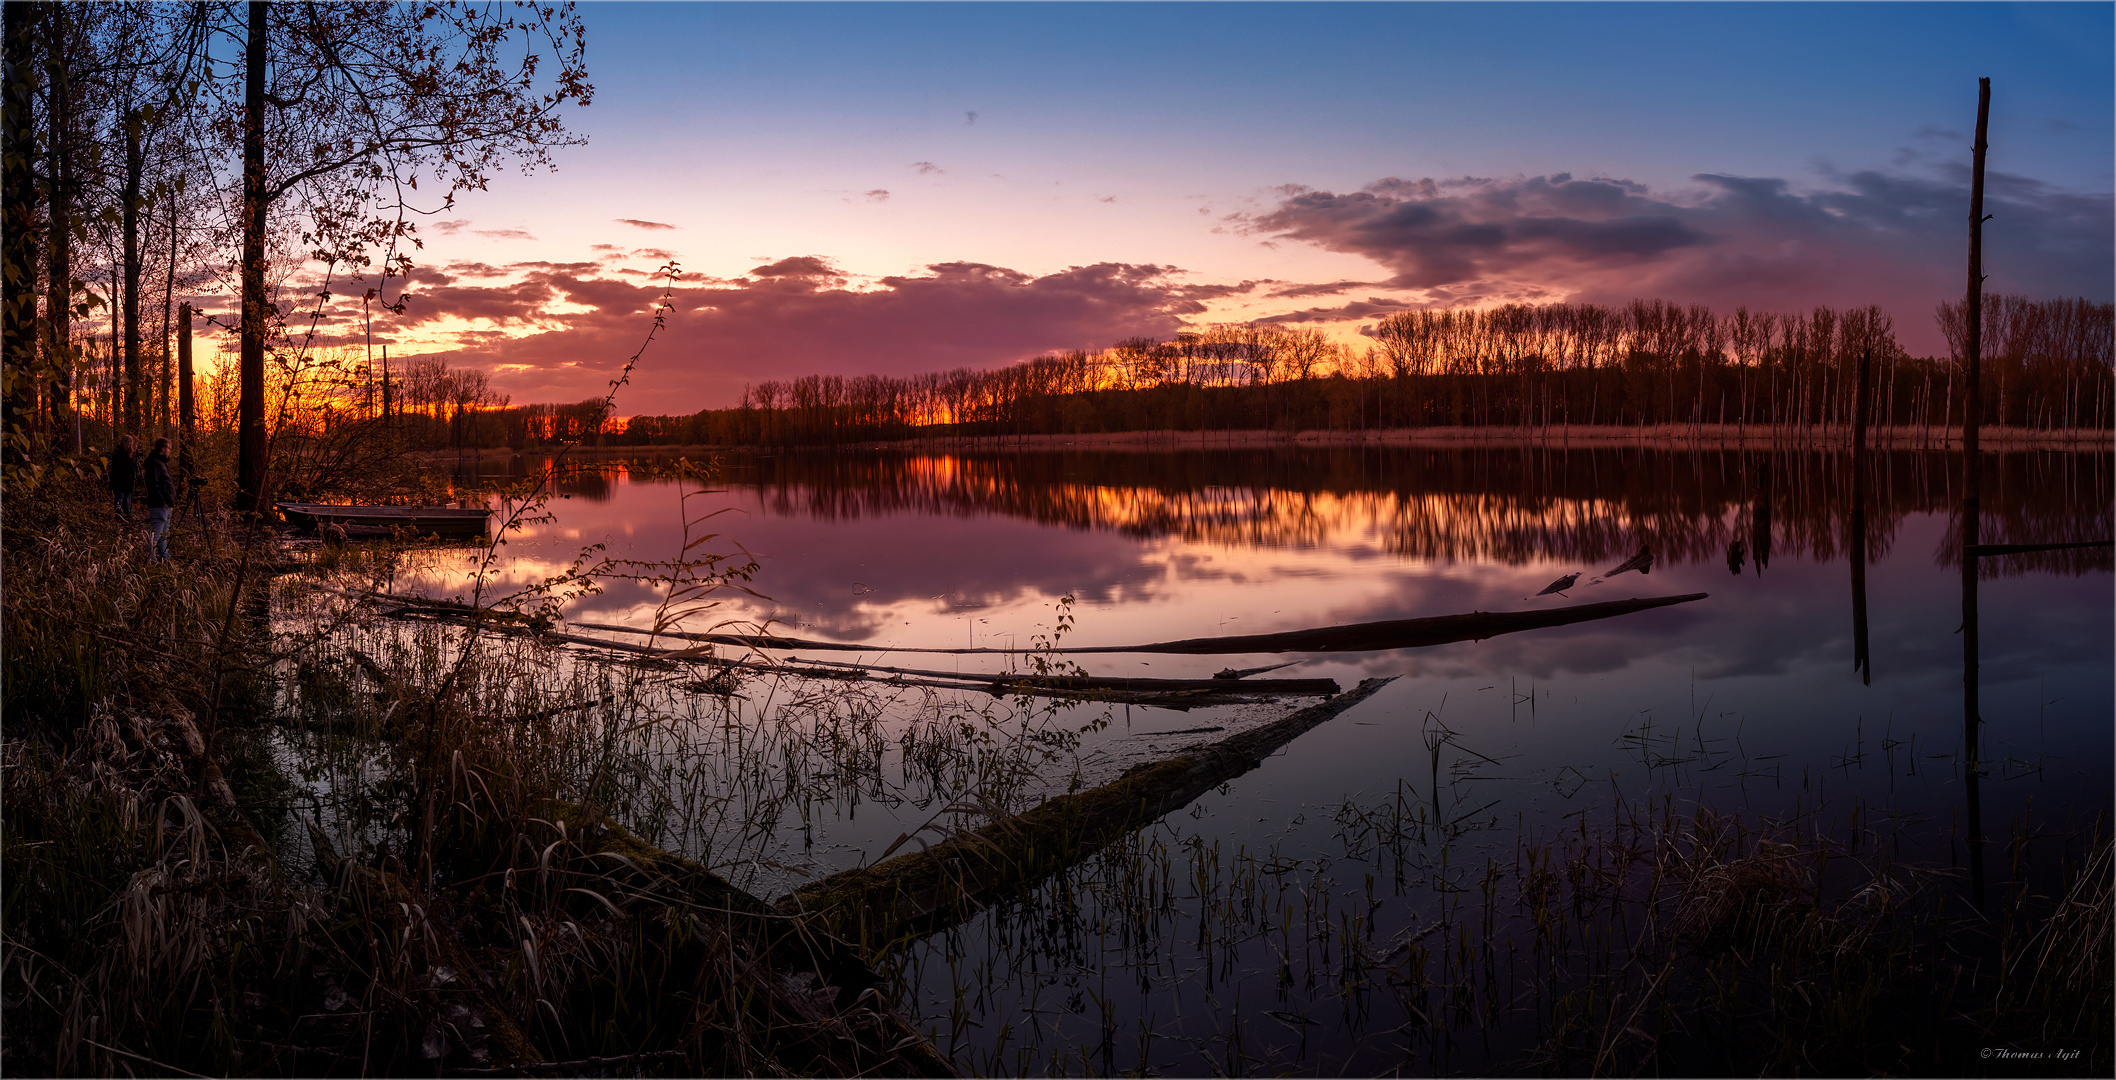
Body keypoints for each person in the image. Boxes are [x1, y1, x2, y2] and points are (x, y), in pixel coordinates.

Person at [143, 437, 176, 561]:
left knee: (164, 533)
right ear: (163, 449)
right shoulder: (155, 463)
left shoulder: (160, 463)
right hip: (159, 505)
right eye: (168, 449)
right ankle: (151, 558)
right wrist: (162, 501)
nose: (169, 451)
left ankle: (164, 556)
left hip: (165, 504)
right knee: (156, 534)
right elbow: (153, 484)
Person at [109, 435, 137, 519]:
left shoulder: (130, 452)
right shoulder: (118, 452)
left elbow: (131, 465)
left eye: (130, 442)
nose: (129, 444)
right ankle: (118, 512)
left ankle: (126, 512)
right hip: (119, 477)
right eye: (127, 442)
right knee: (120, 495)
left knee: (127, 495)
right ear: (123, 442)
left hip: (128, 477)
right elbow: (119, 464)